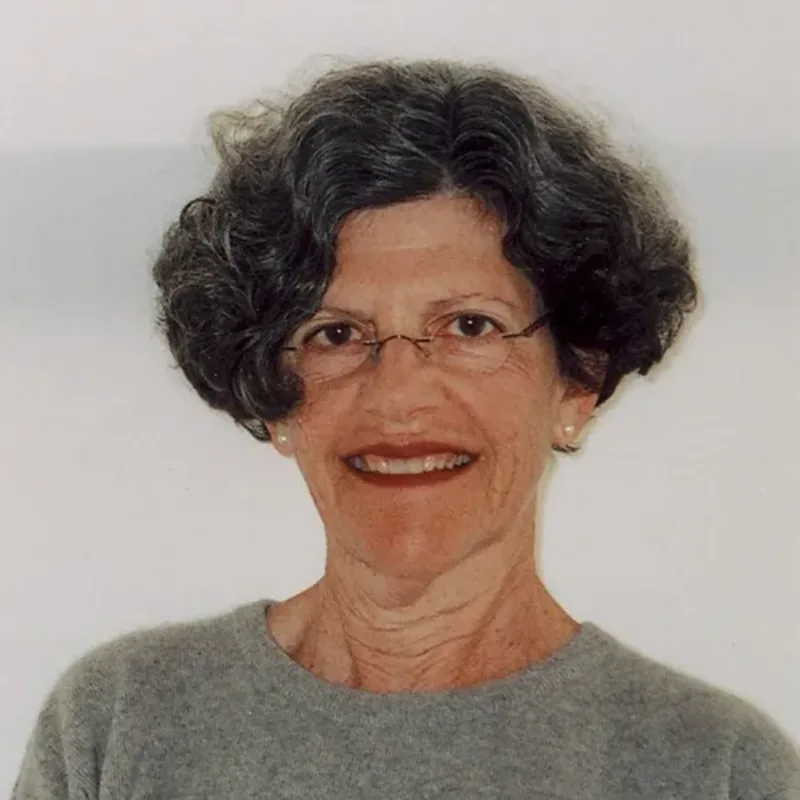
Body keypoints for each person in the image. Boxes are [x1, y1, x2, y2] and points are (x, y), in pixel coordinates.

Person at [12, 58, 799, 799]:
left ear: (577, 381)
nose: (398, 399)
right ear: (274, 396)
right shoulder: (119, 726)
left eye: (469, 325)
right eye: (335, 334)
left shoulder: (713, 767)